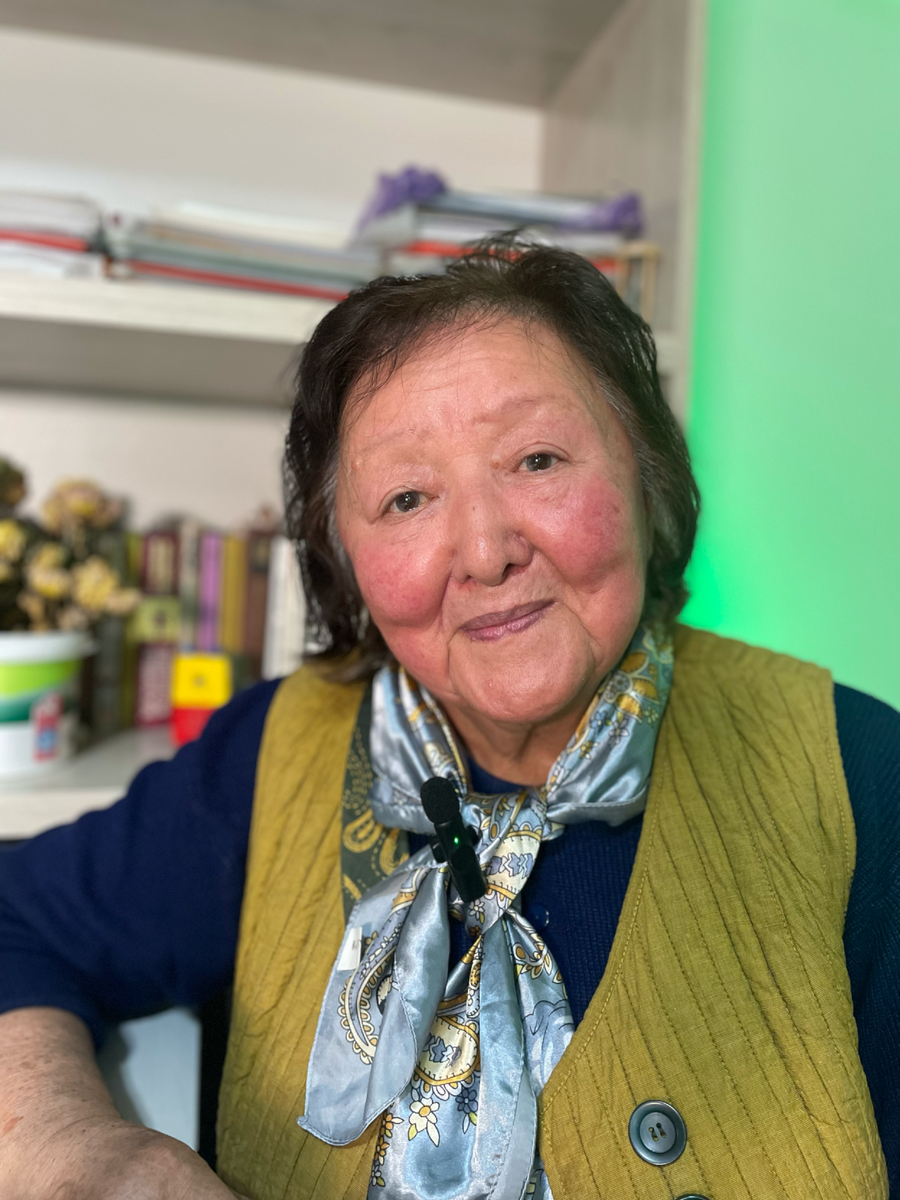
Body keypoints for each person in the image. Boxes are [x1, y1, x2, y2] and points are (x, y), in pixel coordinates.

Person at [0, 240, 897, 1200]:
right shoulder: (269, 756)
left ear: (649, 480)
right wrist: (74, 1149)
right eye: (406, 498)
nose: (484, 551)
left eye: (538, 459)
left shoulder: (856, 773)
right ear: (343, 559)